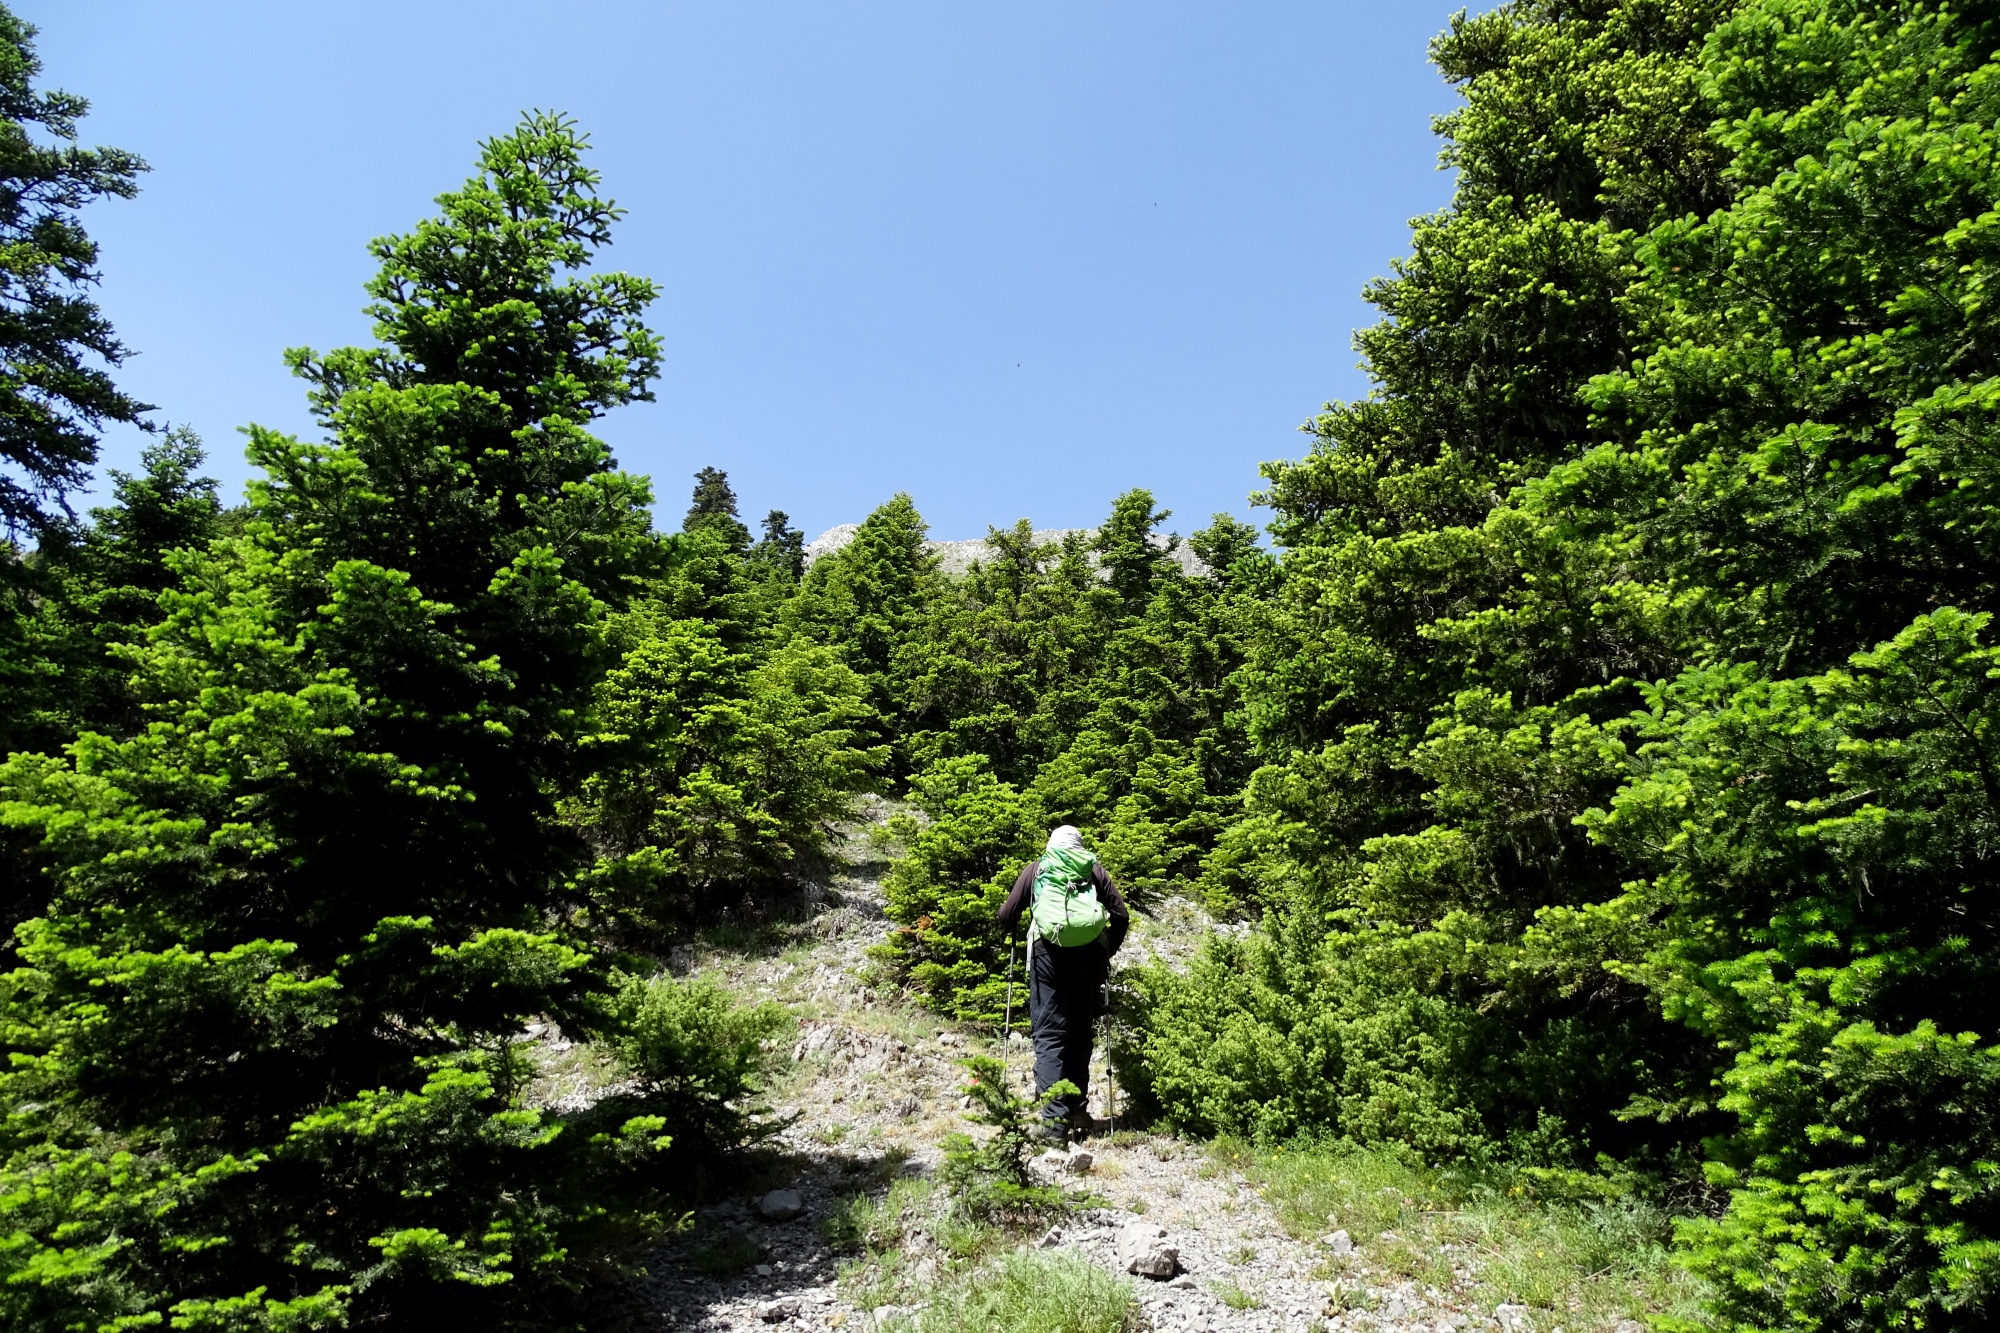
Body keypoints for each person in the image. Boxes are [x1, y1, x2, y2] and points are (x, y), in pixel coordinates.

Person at [996, 825, 1130, 1140]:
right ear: (1079, 846)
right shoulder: (1094, 870)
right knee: (1080, 1034)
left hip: (1047, 958)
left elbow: (1005, 915)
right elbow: (1121, 915)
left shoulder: (1037, 869)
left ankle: (1054, 1126)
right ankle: (1078, 1112)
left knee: (1050, 1036)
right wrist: (1106, 950)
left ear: (1052, 845)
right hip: (1091, 960)